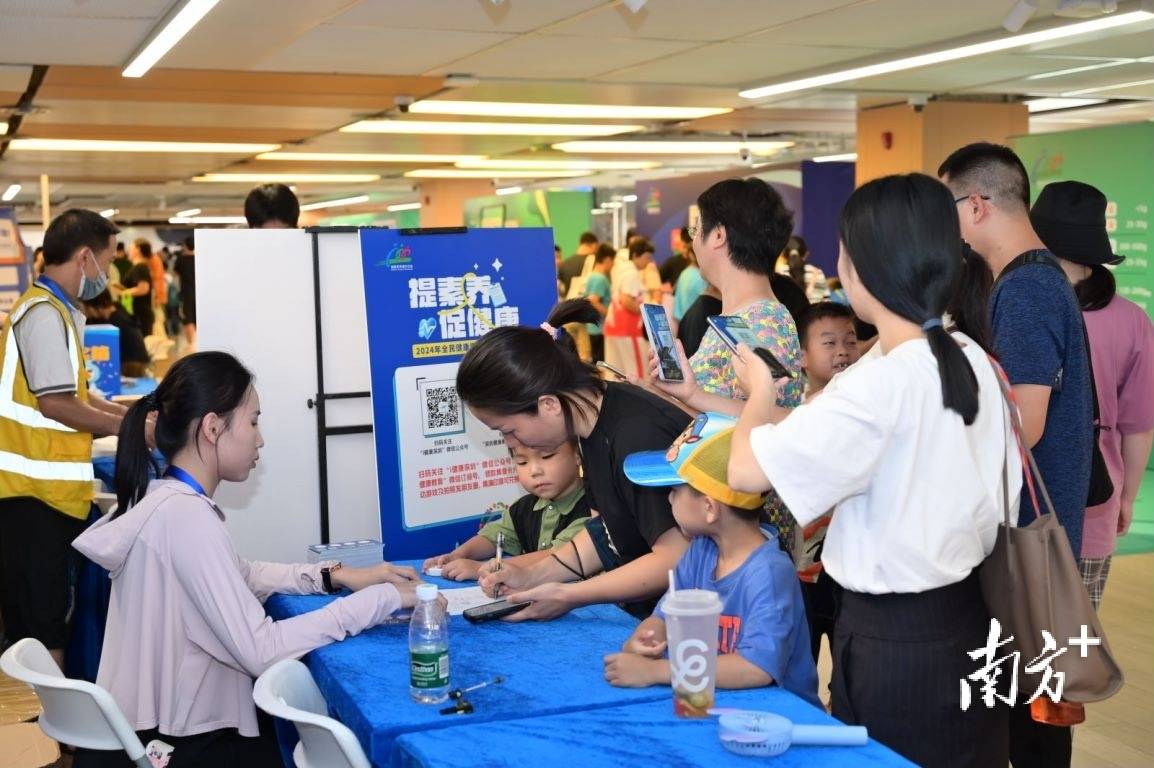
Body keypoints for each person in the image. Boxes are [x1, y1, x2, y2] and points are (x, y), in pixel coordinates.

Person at [728, 173, 1021, 767]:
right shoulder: (971, 358)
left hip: (899, 642)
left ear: (865, 265)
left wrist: (759, 390)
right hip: (972, 618)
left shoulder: (878, 383)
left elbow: (744, 471)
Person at [71, 352, 421, 767]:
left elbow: (242, 572)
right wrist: (380, 600)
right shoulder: (186, 518)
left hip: (157, 732)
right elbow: (263, 650)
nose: (260, 438)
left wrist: (338, 575)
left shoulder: (167, 500)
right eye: (253, 421)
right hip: (180, 744)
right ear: (213, 427)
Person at [939, 143, 1093, 768]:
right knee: (1030, 707)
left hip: (1028, 538)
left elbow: (1024, 425)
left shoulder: (1025, 289)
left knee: (1028, 716)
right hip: (1037, 534)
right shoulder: (1035, 279)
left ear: (975, 205)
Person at [459, 300, 693, 621]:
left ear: (549, 404)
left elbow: (677, 558)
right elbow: (606, 533)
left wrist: (571, 595)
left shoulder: (637, 436)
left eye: (508, 430)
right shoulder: (590, 425)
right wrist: (532, 576)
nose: (511, 444)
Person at [603, 413, 819, 707]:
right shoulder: (700, 552)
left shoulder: (769, 573)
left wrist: (658, 671)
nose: (668, 500)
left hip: (778, 714)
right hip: (718, 703)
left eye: (674, 491)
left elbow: (755, 668)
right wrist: (650, 634)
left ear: (709, 508)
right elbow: (666, 614)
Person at [0, 209, 129, 669]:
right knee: (42, 625)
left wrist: (127, 412)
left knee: (52, 616)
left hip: (51, 498)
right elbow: (54, 405)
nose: (107, 274)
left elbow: (73, 392)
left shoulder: (56, 310)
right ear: (85, 257)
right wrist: (126, 428)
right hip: (31, 499)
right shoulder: (42, 314)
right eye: (108, 262)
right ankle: (45, 735)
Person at [1031, 180, 1154, 609]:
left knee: (1013, 640)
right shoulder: (1131, 319)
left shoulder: (1021, 305)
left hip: (1024, 498)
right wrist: (1126, 497)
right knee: (1073, 642)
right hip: (1094, 497)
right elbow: (1138, 427)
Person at [649, 178, 803, 417]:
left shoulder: (763, 321)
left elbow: (776, 418)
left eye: (696, 229)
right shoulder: (737, 317)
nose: (694, 242)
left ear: (719, 235)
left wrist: (694, 396)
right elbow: (715, 419)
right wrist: (659, 396)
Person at [791, 302, 861, 669]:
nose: (842, 352)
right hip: (802, 568)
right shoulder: (793, 413)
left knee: (849, 670)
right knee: (802, 664)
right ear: (802, 357)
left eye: (850, 341)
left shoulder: (865, 409)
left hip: (848, 567)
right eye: (829, 343)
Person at [422, 437, 589, 582]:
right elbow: (493, 537)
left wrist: (484, 568)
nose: (535, 471)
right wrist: (459, 555)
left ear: (578, 454)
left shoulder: (593, 509)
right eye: (522, 462)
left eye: (546, 456)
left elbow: (559, 557)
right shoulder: (523, 508)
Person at [603, 238, 657, 378]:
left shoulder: (621, 270)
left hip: (614, 327)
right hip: (628, 329)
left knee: (614, 370)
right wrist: (645, 312)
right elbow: (626, 299)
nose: (648, 261)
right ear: (635, 255)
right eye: (646, 257)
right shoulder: (631, 273)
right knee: (637, 371)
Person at [81, 290, 150, 377]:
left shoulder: (114, 323)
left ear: (96, 307)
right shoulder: (118, 308)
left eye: (87, 308)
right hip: (140, 360)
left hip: (132, 365)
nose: (87, 312)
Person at [583, 243, 615, 363]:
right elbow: (593, 301)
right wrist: (610, 313)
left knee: (596, 361)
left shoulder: (592, 276)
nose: (613, 264)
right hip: (599, 328)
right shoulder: (600, 278)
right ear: (607, 259)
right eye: (612, 261)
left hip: (594, 327)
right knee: (600, 363)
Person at [776, 235, 828, 303]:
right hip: (815, 313)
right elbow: (827, 301)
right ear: (806, 253)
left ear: (784, 255)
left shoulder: (781, 273)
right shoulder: (818, 273)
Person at [120, 239, 155, 338]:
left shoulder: (140, 267)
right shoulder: (140, 266)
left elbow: (144, 288)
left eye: (131, 248)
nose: (129, 250)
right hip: (138, 314)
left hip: (140, 315)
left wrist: (124, 292)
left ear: (138, 250)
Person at [671, 232, 706, 325]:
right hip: (696, 323)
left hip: (681, 323)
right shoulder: (701, 277)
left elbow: (677, 305)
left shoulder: (684, 273)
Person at [558, 231, 599, 296]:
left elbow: (560, 290)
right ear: (594, 245)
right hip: (586, 304)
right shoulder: (596, 263)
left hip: (569, 304)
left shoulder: (564, 264)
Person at [176, 236, 197, 352]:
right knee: (197, 317)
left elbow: (176, 274)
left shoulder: (181, 260)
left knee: (188, 318)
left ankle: (191, 343)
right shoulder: (200, 258)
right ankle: (198, 342)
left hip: (186, 292)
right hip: (198, 292)